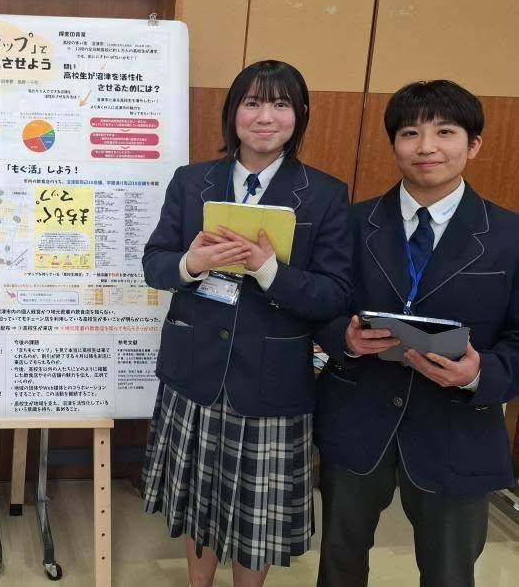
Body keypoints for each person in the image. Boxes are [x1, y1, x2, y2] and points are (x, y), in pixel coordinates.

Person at [142, 60, 352, 586]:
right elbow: (154, 263)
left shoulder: (324, 193)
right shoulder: (192, 181)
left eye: (281, 105)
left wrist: (268, 270)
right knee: (195, 498)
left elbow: (333, 293)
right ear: (233, 112)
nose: (265, 117)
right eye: (252, 103)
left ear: (300, 115)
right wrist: (191, 263)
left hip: (271, 376)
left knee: (256, 513)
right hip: (194, 368)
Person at [314, 80, 519, 587]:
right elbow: (320, 306)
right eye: (410, 133)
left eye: (444, 132)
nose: (426, 147)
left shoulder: (510, 235)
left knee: (449, 574)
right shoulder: (351, 223)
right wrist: (344, 338)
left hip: (458, 430)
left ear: (473, 144)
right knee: (339, 565)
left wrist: (479, 374)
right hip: (357, 420)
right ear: (394, 145)